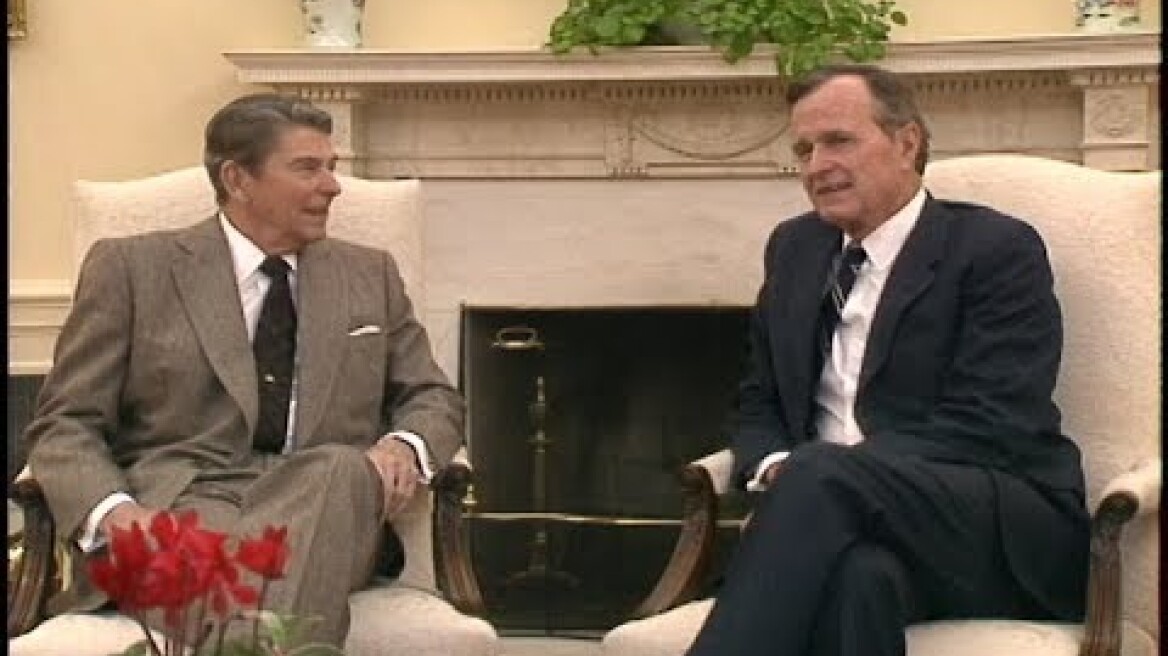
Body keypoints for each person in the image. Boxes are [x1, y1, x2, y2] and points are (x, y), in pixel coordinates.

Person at [22, 92, 465, 648]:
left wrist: (405, 445)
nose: (332, 186)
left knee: (341, 469)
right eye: (307, 168)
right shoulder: (133, 269)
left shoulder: (368, 275)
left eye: (332, 167)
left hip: (323, 503)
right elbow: (64, 423)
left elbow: (433, 396)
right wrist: (117, 514)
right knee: (232, 554)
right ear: (237, 179)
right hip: (179, 507)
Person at [684, 65, 1089, 656]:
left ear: (907, 142)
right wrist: (775, 465)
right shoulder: (794, 250)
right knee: (858, 580)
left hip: (988, 524)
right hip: (841, 524)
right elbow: (759, 398)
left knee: (820, 474)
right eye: (803, 149)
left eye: (838, 141)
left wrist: (823, 475)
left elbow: (993, 419)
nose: (816, 165)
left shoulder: (995, 250)